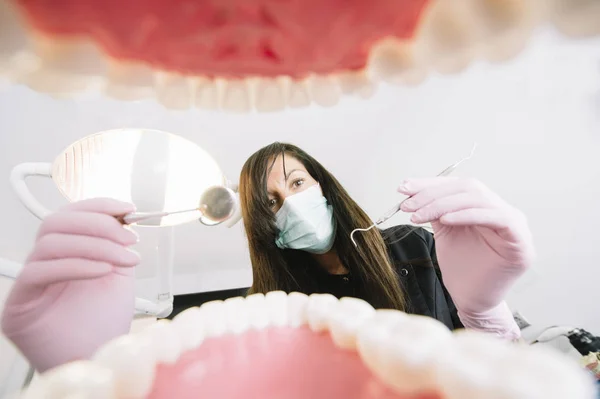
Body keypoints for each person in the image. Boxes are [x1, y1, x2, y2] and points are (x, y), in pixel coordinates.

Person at [1, 142, 535, 373]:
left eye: (297, 182)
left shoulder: (416, 247)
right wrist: (84, 372)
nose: (291, 205)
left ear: (324, 187)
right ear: (268, 231)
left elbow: (500, 375)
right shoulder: (276, 308)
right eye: (272, 204)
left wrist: (487, 314)